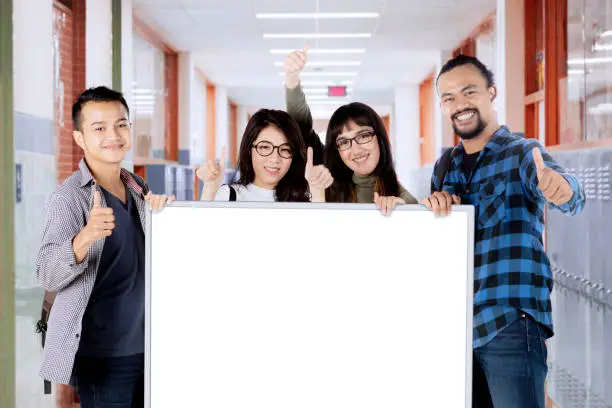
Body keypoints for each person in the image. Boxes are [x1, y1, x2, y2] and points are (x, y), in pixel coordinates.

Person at [422, 55, 585, 408]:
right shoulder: (445, 165)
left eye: (469, 92)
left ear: (491, 93)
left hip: (509, 326)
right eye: (449, 98)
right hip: (458, 330)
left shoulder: (523, 154)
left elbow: (571, 197)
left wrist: (562, 188)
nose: (460, 104)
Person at [36, 86, 173, 408]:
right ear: (80, 138)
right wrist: (84, 237)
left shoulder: (138, 187)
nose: (113, 134)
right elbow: (47, 274)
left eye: (121, 124)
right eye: (99, 128)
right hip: (103, 354)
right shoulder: (69, 197)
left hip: (149, 346)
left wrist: (166, 218)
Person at [284, 48, 417, 215]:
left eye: (363, 136)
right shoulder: (328, 180)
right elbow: (301, 128)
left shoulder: (401, 198)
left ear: (379, 138)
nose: (355, 150)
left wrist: (405, 213)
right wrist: (291, 79)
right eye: (344, 142)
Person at [198, 108, 332, 203]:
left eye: (285, 149)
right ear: (249, 150)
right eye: (265, 147)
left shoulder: (306, 199)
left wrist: (318, 193)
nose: (275, 159)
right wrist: (210, 186)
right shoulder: (229, 195)